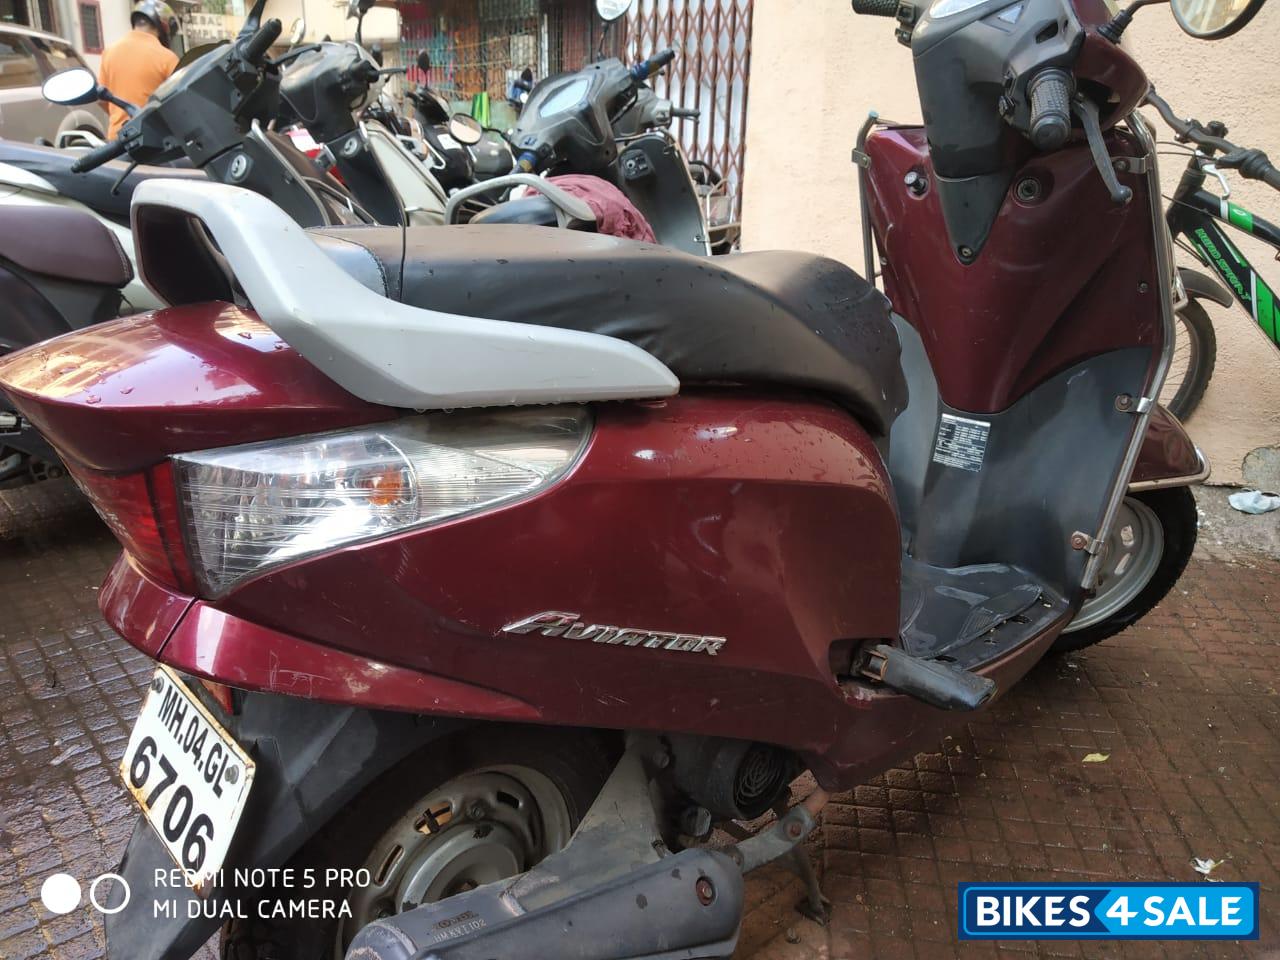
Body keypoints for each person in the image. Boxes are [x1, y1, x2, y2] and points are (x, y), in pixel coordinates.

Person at [98, 0, 179, 139]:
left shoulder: (109, 52)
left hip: (116, 143)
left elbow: (101, 100)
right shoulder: (167, 58)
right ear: (164, 27)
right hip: (152, 142)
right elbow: (179, 103)